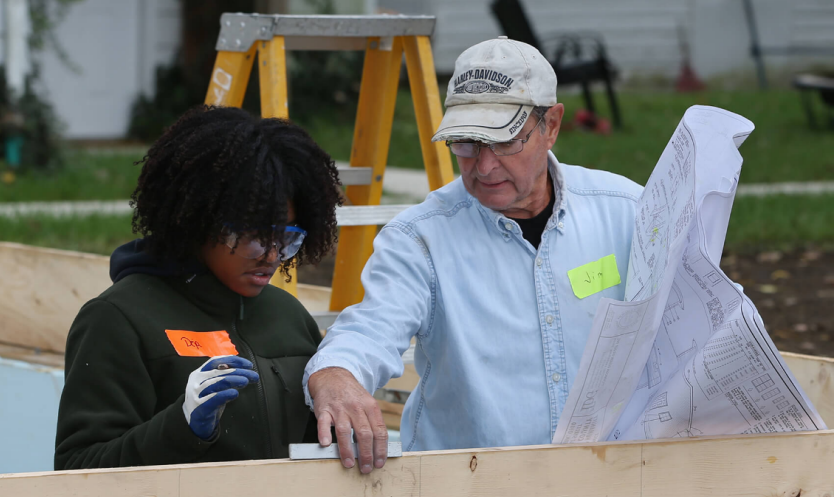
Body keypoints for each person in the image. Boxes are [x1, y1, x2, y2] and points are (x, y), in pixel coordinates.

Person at [303, 37, 643, 473]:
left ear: (551, 125)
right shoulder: (420, 239)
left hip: (613, 482)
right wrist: (335, 375)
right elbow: (371, 328)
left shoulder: (627, 212)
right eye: (465, 144)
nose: (483, 167)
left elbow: (704, 317)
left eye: (505, 143)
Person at [55, 105, 342, 470]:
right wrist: (182, 426)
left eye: (286, 238)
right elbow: (77, 468)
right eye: (254, 236)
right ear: (199, 221)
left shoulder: (288, 316)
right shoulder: (117, 320)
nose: (271, 255)